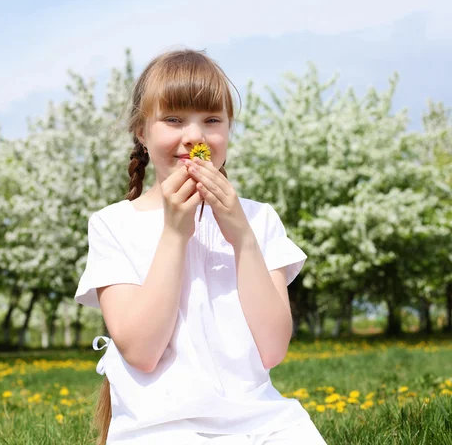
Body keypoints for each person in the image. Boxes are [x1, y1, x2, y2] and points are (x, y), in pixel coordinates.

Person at [74, 48, 327, 445]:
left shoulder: (259, 220)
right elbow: (141, 351)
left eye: (212, 120)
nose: (194, 137)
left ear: (228, 129)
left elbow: (273, 348)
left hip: (262, 422)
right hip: (158, 428)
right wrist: (176, 233)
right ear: (142, 131)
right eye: (173, 119)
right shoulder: (113, 225)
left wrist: (241, 236)